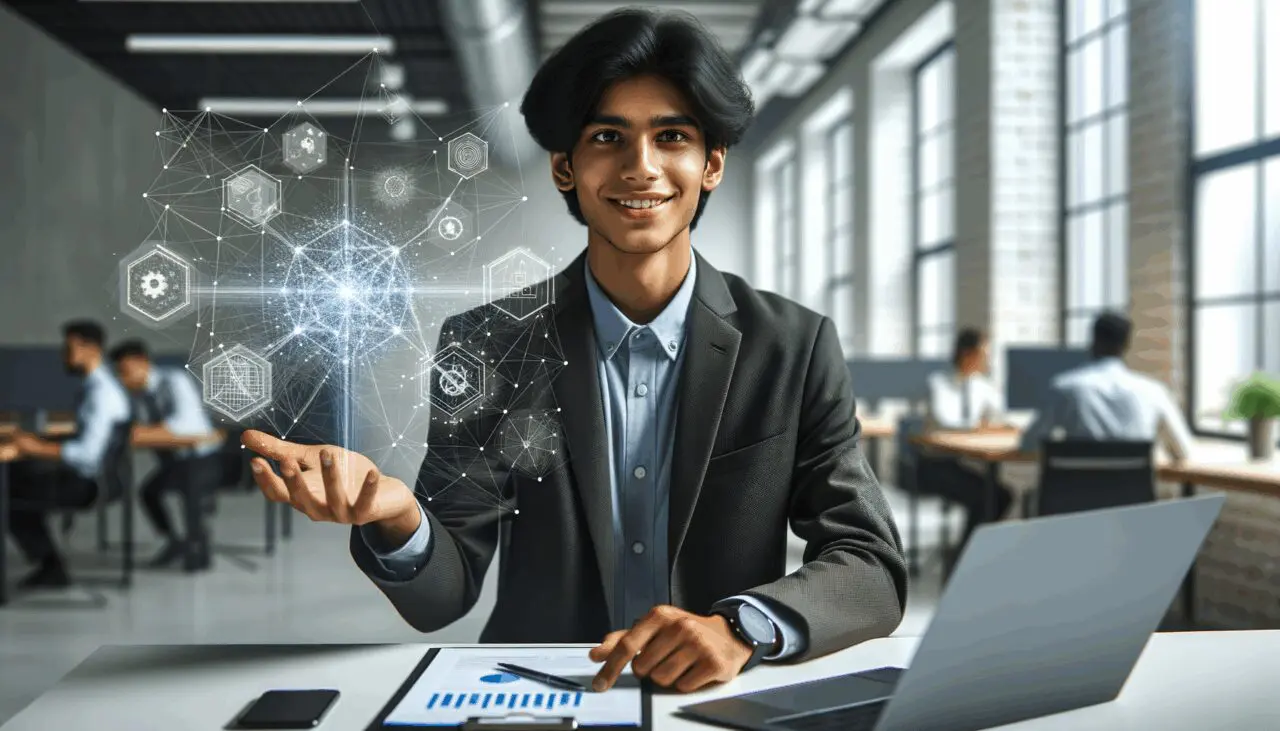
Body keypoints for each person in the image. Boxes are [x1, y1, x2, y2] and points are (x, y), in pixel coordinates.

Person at [241, 8, 907, 695]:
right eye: (607, 137)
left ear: (710, 164)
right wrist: (396, 515)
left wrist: (741, 628)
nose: (641, 167)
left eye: (671, 136)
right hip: (539, 692)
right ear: (566, 167)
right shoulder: (486, 343)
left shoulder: (793, 346)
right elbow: (445, 592)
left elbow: (871, 565)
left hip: (714, 699)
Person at [0, 321, 131, 588]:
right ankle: (50, 566)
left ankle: (51, 567)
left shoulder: (102, 394)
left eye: (69, 348)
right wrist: (37, 442)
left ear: (91, 349)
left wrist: (34, 447)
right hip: (96, 478)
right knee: (14, 475)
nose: (64, 355)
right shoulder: (98, 387)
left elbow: (87, 454)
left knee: (7, 490)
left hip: (90, 484)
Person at [109, 340, 224, 572]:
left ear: (142, 362)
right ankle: (175, 542)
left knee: (190, 488)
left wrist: (140, 433)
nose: (122, 379)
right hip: (176, 460)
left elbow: (184, 426)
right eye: (118, 373)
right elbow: (137, 429)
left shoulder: (174, 381)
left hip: (203, 457)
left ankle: (197, 545)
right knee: (148, 493)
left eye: (125, 371)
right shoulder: (139, 396)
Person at [1018, 311, 1194, 460]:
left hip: (1076, 489)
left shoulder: (1065, 387)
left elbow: (1029, 444)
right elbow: (1183, 450)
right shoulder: (1154, 391)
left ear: (1093, 342)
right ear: (1126, 346)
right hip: (1134, 490)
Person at [919, 328, 1014, 546]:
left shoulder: (982, 385)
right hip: (934, 465)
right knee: (986, 498)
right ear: (967, 354)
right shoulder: (938, 383)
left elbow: (1002, 415)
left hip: (961, 463)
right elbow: (945, 421)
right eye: (984, 353)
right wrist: (977, 426)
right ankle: (964, 555)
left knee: (1001, 496)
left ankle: (974, 550)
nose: (988, 359)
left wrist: (1003, 423)